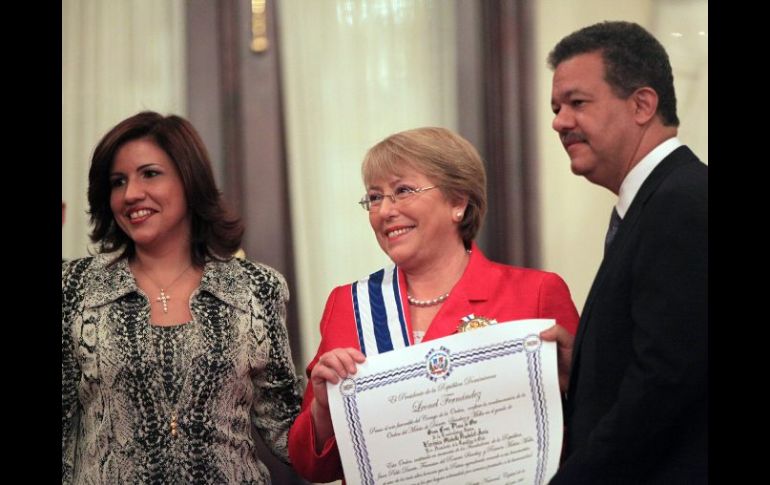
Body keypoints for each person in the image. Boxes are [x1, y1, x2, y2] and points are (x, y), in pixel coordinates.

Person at [287, 127, 580, 482]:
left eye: (403, 191)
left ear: (458, 202)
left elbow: (588, 428)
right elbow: (312, 467)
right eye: (375, 197)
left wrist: (568, 384)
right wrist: (323, 408)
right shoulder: (349, 305)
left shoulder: (536, 293)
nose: (385, 211)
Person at [61, 111, 303, 483]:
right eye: (117, 181)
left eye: (150, 174)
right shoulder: (75, 287)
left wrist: (334, 394)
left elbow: (289, 432)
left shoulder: (255, 287)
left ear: (190, 180)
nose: (131, 194)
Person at [541, 21, 707, 483]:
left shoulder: (682, 201)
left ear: (641, 104)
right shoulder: (656, 200)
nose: (558, 121)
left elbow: (666, 382)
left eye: (577, 103)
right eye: (556, 108)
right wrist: (588, 365)